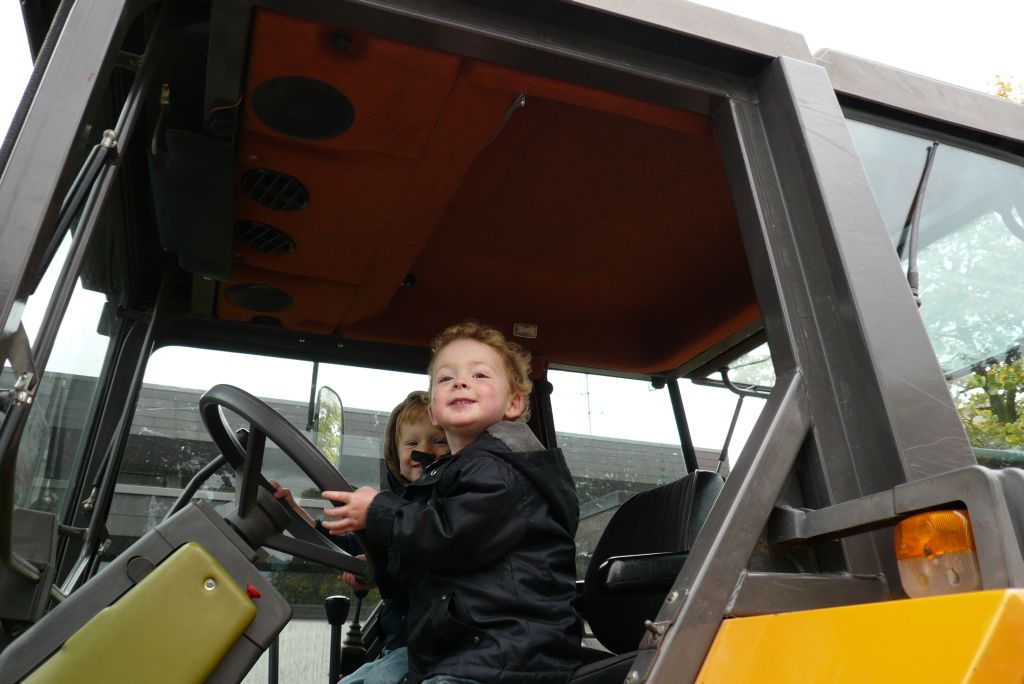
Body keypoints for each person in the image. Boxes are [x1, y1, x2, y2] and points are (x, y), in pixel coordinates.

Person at [322, 321, 582, 684]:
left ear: (513, 403)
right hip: (465, 649)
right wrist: (381, 571)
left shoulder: (500, 468)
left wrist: (378, 508)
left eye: (479, 375)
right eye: (446, 378)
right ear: (433, 410)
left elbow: (451, 536)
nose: (460, 382)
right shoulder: (452, 474)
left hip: (507, 655)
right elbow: (431, 562)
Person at [274, 390, 448, 684]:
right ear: (395, 454)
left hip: (430, 650)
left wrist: (379, 571)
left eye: (439, 441)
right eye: (412, 443)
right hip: (397, 647)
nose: (424, 450)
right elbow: (346, 545)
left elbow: (431, 558)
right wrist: (293, 513)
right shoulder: (389, 510)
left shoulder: (446, 510)